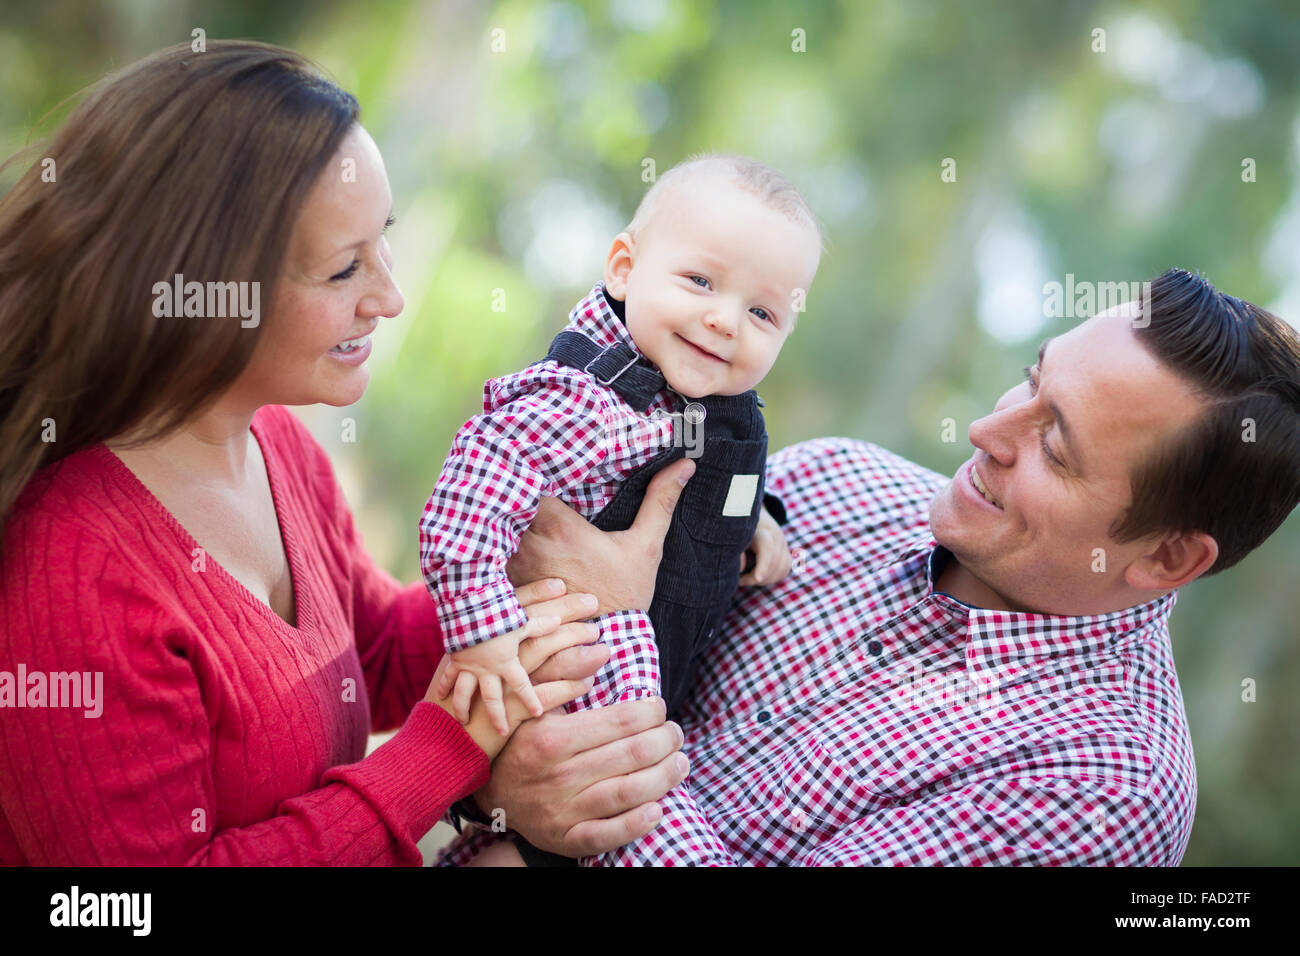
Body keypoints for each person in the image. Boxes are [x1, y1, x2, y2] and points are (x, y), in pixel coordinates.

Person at [0, 41, 690, 866]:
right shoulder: (73, 576)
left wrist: (561, 578)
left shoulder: (274, 443)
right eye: (342, 270)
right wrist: (443, 758)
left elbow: (376, 654)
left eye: (384, 241)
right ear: (204, 288)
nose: (389, 296)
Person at [443, 268, 1300, 864]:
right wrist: (492, 790)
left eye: (1055, 445)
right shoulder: (832, 482)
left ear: (1167, 556)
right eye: (1029, 381)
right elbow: (492, 654)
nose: (988, 432)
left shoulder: (1105, 786)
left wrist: (612, 628)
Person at [419, 154, 820, 866]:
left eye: (762, 312)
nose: (725, 321)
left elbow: (701, 481)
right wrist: (482, 632)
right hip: (575, 657)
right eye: (700, 281)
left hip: (641, 671)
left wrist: (753, 521)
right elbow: (470, 492)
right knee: (637, 815)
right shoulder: (593, 399)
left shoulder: (711, 409)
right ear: (624, 270)